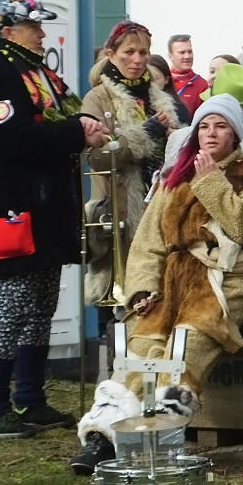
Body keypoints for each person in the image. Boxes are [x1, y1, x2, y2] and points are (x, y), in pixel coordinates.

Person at [69, 94, 243, 474]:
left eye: (221, 126)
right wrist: (144, 289)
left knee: (184, 352)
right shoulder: (174, 178)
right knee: (142, 347)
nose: (211, 134)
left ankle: (158, 438)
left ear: (235, 134)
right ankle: (103, 437)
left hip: (224, 280)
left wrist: (212, 179)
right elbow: (148, 242)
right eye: (205, 126)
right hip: (171, 281)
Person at [0, 0, 109, 438]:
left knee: (42, 303)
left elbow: (59, 118)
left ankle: (29, 399)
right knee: (13, 304)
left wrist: (82, 125)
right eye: (34, 27)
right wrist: (75, 131)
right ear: (7, 32)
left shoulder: (37, 73)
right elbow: (15, 138)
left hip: (45, 208)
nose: (42, 33)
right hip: (13, 208)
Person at [81, 21, 183, 306]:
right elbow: (96, 157)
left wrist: (175, 138)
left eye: (143, 53)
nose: (137, 60)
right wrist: (144, 134)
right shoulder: (97, 98)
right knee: (131, 295)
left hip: (163, 202)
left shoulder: (157, 95)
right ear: (111, 53)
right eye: (129, 52)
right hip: (122, 212)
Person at [167, 33, 207, 117]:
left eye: (190, 52)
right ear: (170, 56)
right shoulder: (162, 82)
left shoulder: (203, 85)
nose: (187, 56)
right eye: (182, 52)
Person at [147, 53, 191, 124]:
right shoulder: (139, 103)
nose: (151, 83)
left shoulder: (178, 108)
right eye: (148, 78)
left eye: (155, 78)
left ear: (166, 80)